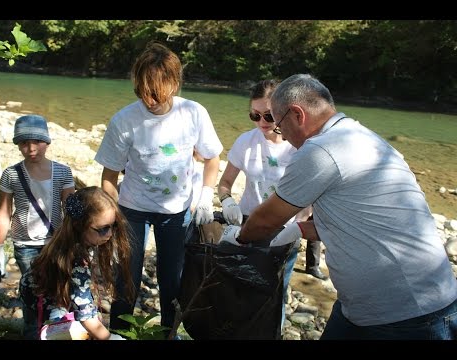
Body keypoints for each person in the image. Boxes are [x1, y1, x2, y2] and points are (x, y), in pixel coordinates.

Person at [219, 73, 457, 340]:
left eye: (278, 124)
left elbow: (265, 221)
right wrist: (299, 229)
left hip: (410, 312)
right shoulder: (361, 135)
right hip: (360, 307)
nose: (281, 135)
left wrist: (238, 238)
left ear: (297, 114)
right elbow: (355, 220)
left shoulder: (321, 151)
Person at [94, 41, 223, 337]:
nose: (150, 101)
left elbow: (213, 157)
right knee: (126, 276)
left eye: (157, 94)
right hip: (132, 209)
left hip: (176, 212)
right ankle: (119, 333)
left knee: (173, 279)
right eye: (144, 93)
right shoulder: (124, 120)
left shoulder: (193, 113)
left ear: (174, 84)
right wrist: (111, 215)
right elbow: (109, 176)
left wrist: (205, 195)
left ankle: (169, 332)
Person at [217, 79, 316, 332]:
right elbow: (225, 182)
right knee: (242, 286)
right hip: (249, 223)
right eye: (255, 115)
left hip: (285, 229)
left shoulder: (301, 147)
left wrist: (297, 227)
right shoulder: (245, 142)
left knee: (275, 292)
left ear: (284, 112)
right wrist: (227, 200)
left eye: (269, 116)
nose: (262, 122)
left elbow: (310, 198)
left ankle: (272, 332)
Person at [19, 186, 136, 340]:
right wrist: (110, 338)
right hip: (42, 295)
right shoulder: (77, 260)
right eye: (102, 229)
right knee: (48, 332)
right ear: (80, 225)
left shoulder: (70, 238)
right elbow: (86, 315)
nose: (109, 234)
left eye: (113, 226)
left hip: (45, 290)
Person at [0, 114, 75, 280]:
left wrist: (77, 242)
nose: (31, 149)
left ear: (47, 142)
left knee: (57, 287)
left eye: (37, 141)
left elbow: (71, 210)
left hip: (55, 241)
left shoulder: (63, 172)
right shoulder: (11, 174)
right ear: (17, 145)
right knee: (32, 289)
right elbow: (4, 212)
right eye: (24, 143)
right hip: (24, 245)